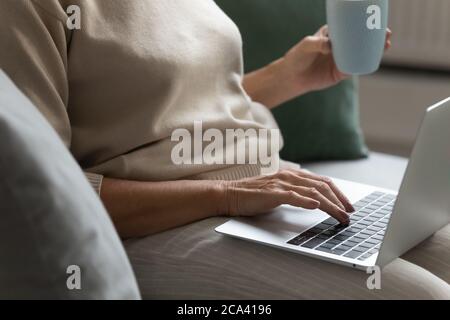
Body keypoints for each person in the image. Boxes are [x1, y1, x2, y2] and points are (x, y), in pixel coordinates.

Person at [1, 0, 449, 299]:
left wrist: (286, 75)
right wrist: (229, 194)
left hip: (276, 190)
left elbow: (171, 112)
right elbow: (47, 193)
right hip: (164, 225)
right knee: (421, 295)